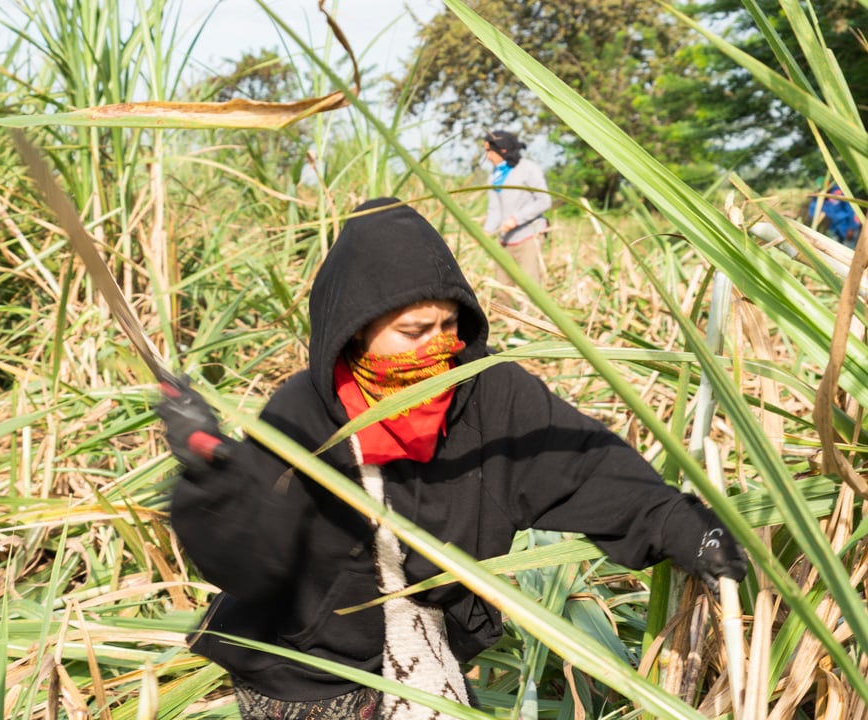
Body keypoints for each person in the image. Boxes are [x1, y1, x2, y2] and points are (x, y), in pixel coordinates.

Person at [160, 198, 747, 720]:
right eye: (414, 330)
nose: (437, 347)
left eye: (448, 325)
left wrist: (679, 524)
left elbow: (585, 466)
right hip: (306, 676)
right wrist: (211, 468)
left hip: (429, 650)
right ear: (354, 333)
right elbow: (249, 558)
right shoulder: (302, 413)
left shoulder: (490, 394)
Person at [483, 130, 552, 292]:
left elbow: (544, 201)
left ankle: (530, 317)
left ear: (503, 150)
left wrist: (516, 219)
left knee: (530, 287)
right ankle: (506, 317)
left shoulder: (528, 169)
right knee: (503, 287)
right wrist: (486, 231)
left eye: (489, 151)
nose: (487, 157)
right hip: (505, 239)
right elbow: (495, 209)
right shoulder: (495, 175)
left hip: (528, 236)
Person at [808, 182, 862, 248]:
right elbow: (813, 213)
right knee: (835, 249)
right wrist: (814, 198)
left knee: (849, 249)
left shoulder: (838, 192)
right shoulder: (821, 198)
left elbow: (851, 209)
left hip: (848, 225)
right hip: (835, 228)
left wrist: (851, 228)